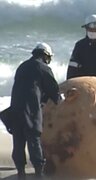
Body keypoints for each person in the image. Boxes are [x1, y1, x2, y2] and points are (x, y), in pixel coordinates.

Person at [10, 42, 61, 179]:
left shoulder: (22, 66)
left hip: (15, 109)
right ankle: (39, 174)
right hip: (30, 110)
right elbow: (54, 91)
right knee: (33, 140)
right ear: (46, 56)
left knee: (18, 141)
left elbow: (29, 87)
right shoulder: (43, 67)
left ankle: (21, 173)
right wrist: (62, 100)